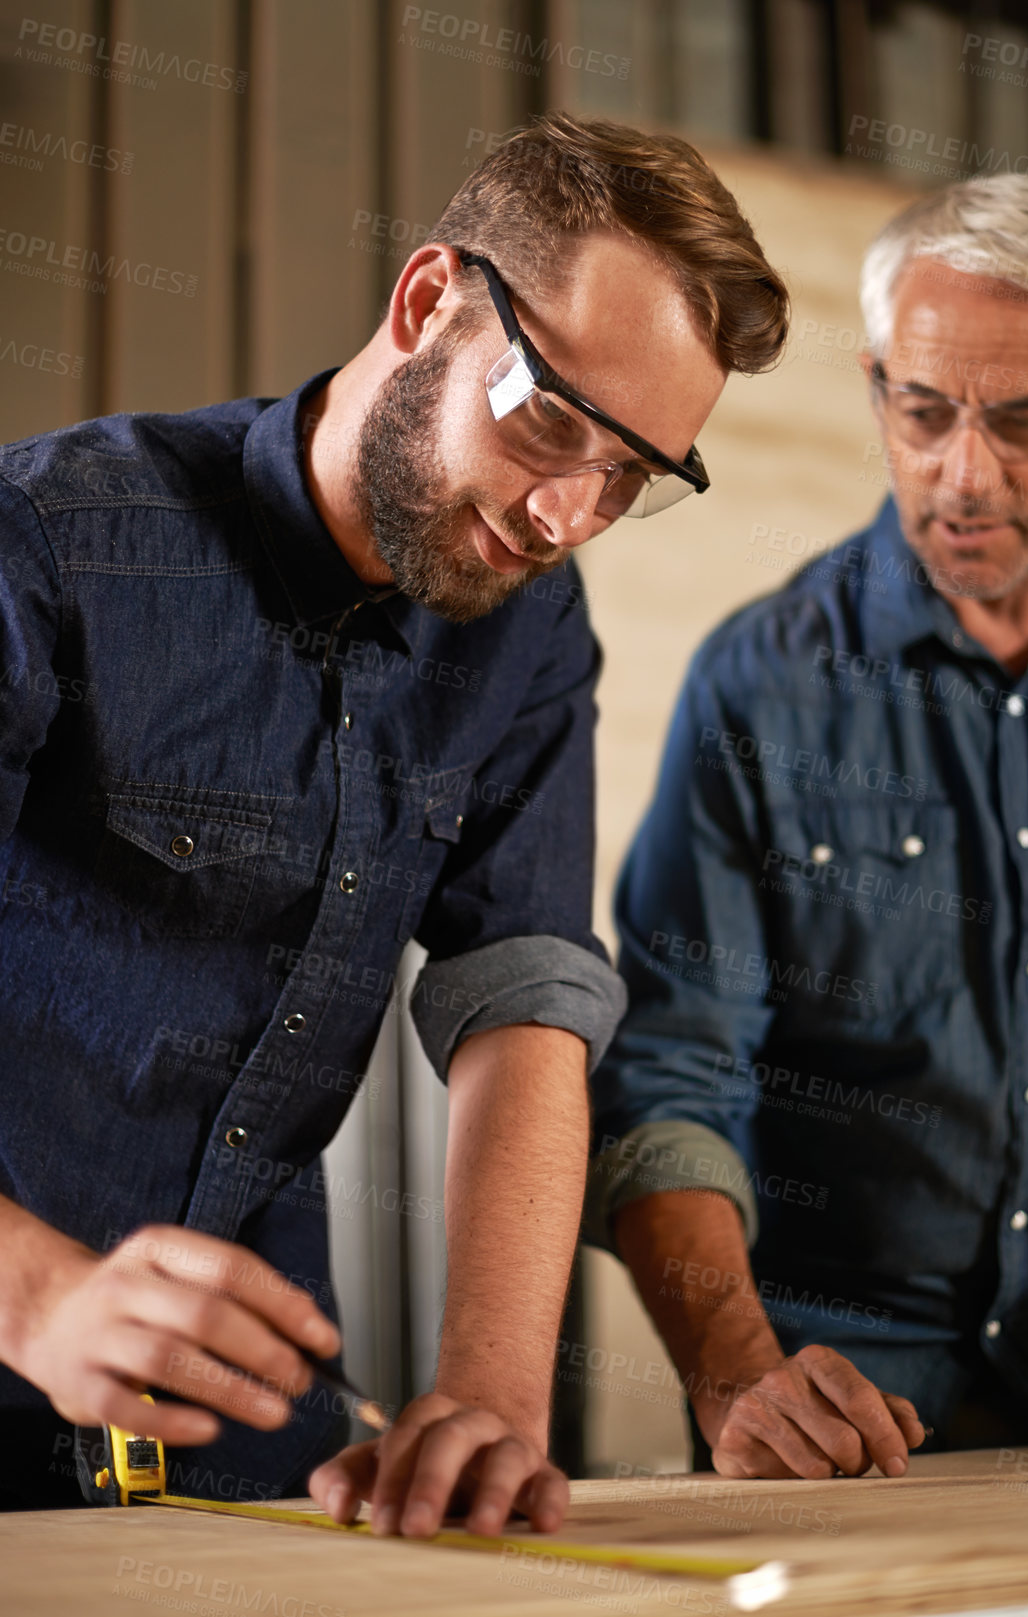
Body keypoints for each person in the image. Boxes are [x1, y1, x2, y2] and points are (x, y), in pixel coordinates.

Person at [0, 112, 789, 1528]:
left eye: (633, 479)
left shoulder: (531, 634)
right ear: (427, 301)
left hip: (259, 1438)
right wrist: (39, 1289)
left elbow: (526, 1003)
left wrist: (492, 1393)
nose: (567, 513)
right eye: (554, 419)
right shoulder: (52, 543)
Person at [587, 172, 1028, 1481]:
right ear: (879, 387)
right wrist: (733, 1367)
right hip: (827, 1405)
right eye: (924, 412)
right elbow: (671, 1073)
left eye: (1022, 420)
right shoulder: (759, 685)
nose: (963, 472)